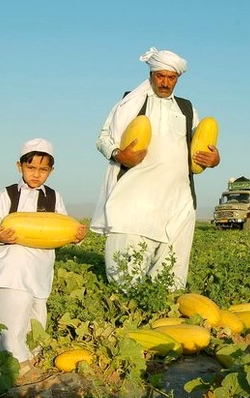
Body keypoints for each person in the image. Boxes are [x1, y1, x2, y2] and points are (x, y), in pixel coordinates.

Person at [90, 47, 221, 292]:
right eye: (160, 76)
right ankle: (126, 315)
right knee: (127, 265)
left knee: (172, 267)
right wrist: (118, 154)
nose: (165, 82)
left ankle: (162, 312)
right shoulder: (130, 103)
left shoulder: (186, 109)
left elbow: (200, 146)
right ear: (151, 76)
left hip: (177, 199)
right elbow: (102, 138)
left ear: (177, 79)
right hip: (134, 197)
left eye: (171, 78)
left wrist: (214, 159)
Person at [0, 138, 87, 383]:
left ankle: (30, 355)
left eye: (43, 170)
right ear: (20, 166)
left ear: (51, 171)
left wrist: (77, 237)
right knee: (13, 314)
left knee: (36, 314)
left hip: (40, 267)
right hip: (13, 266)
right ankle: (12, 363)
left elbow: (64, 227)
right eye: (31, 168)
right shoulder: (7, 194)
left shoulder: (54, 197)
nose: (36, 174)